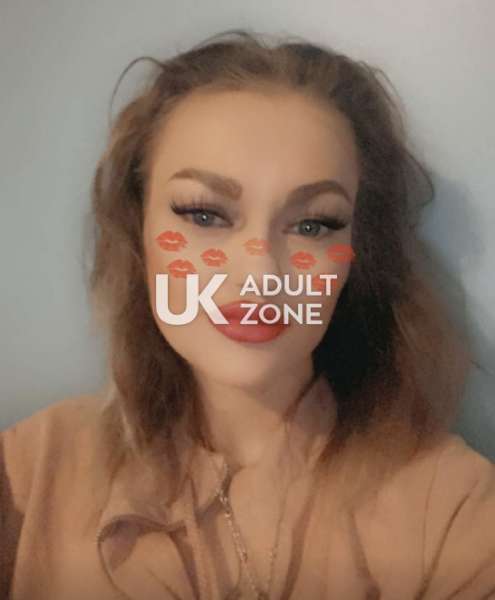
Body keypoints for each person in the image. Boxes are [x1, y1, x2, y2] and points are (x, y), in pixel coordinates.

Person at [1, 28, 494, 600]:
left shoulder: (455, 514)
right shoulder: (24, 480)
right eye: (204, 214)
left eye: (313, 224)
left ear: (356, 253)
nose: (260, 273)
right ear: (138, 232)